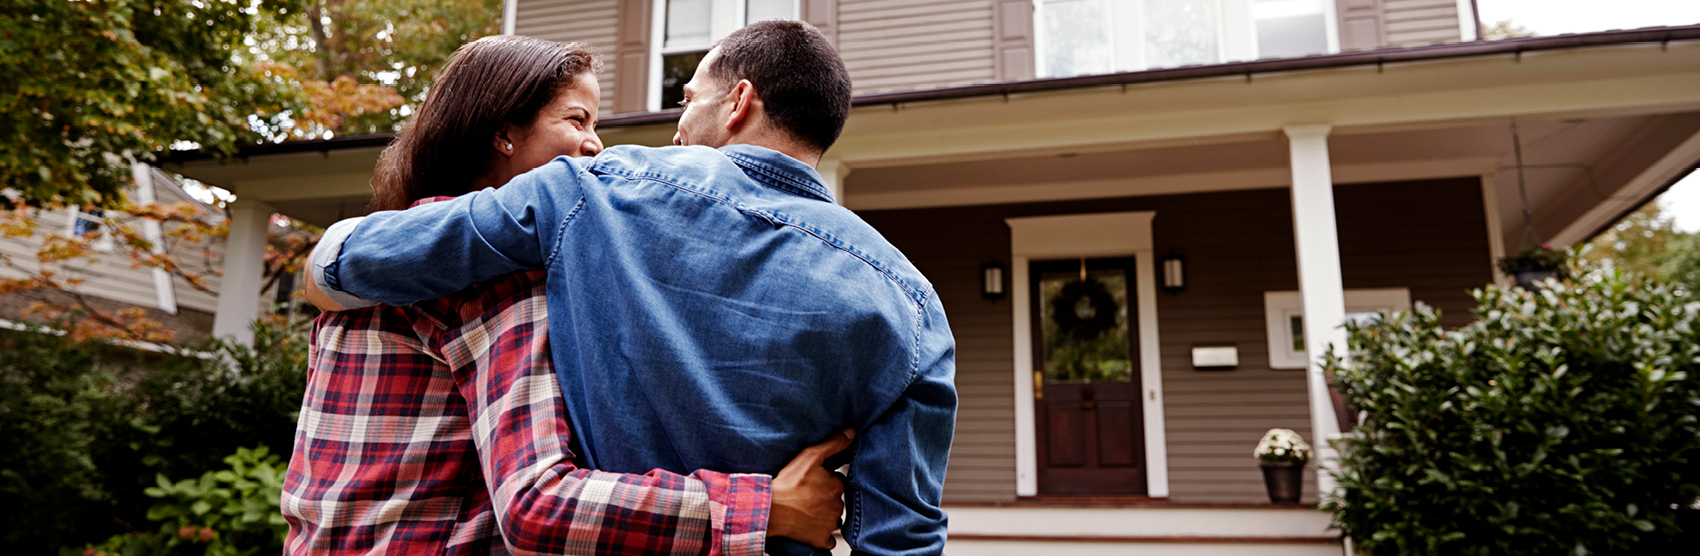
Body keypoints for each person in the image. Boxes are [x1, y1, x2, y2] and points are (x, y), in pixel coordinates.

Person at [307, 22, 956, 556]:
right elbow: (902, 538)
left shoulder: (590, 192)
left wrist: (324, 263)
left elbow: (369, 255)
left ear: (738, 103)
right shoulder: (913, 304)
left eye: (688, 99)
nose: (675, 123)